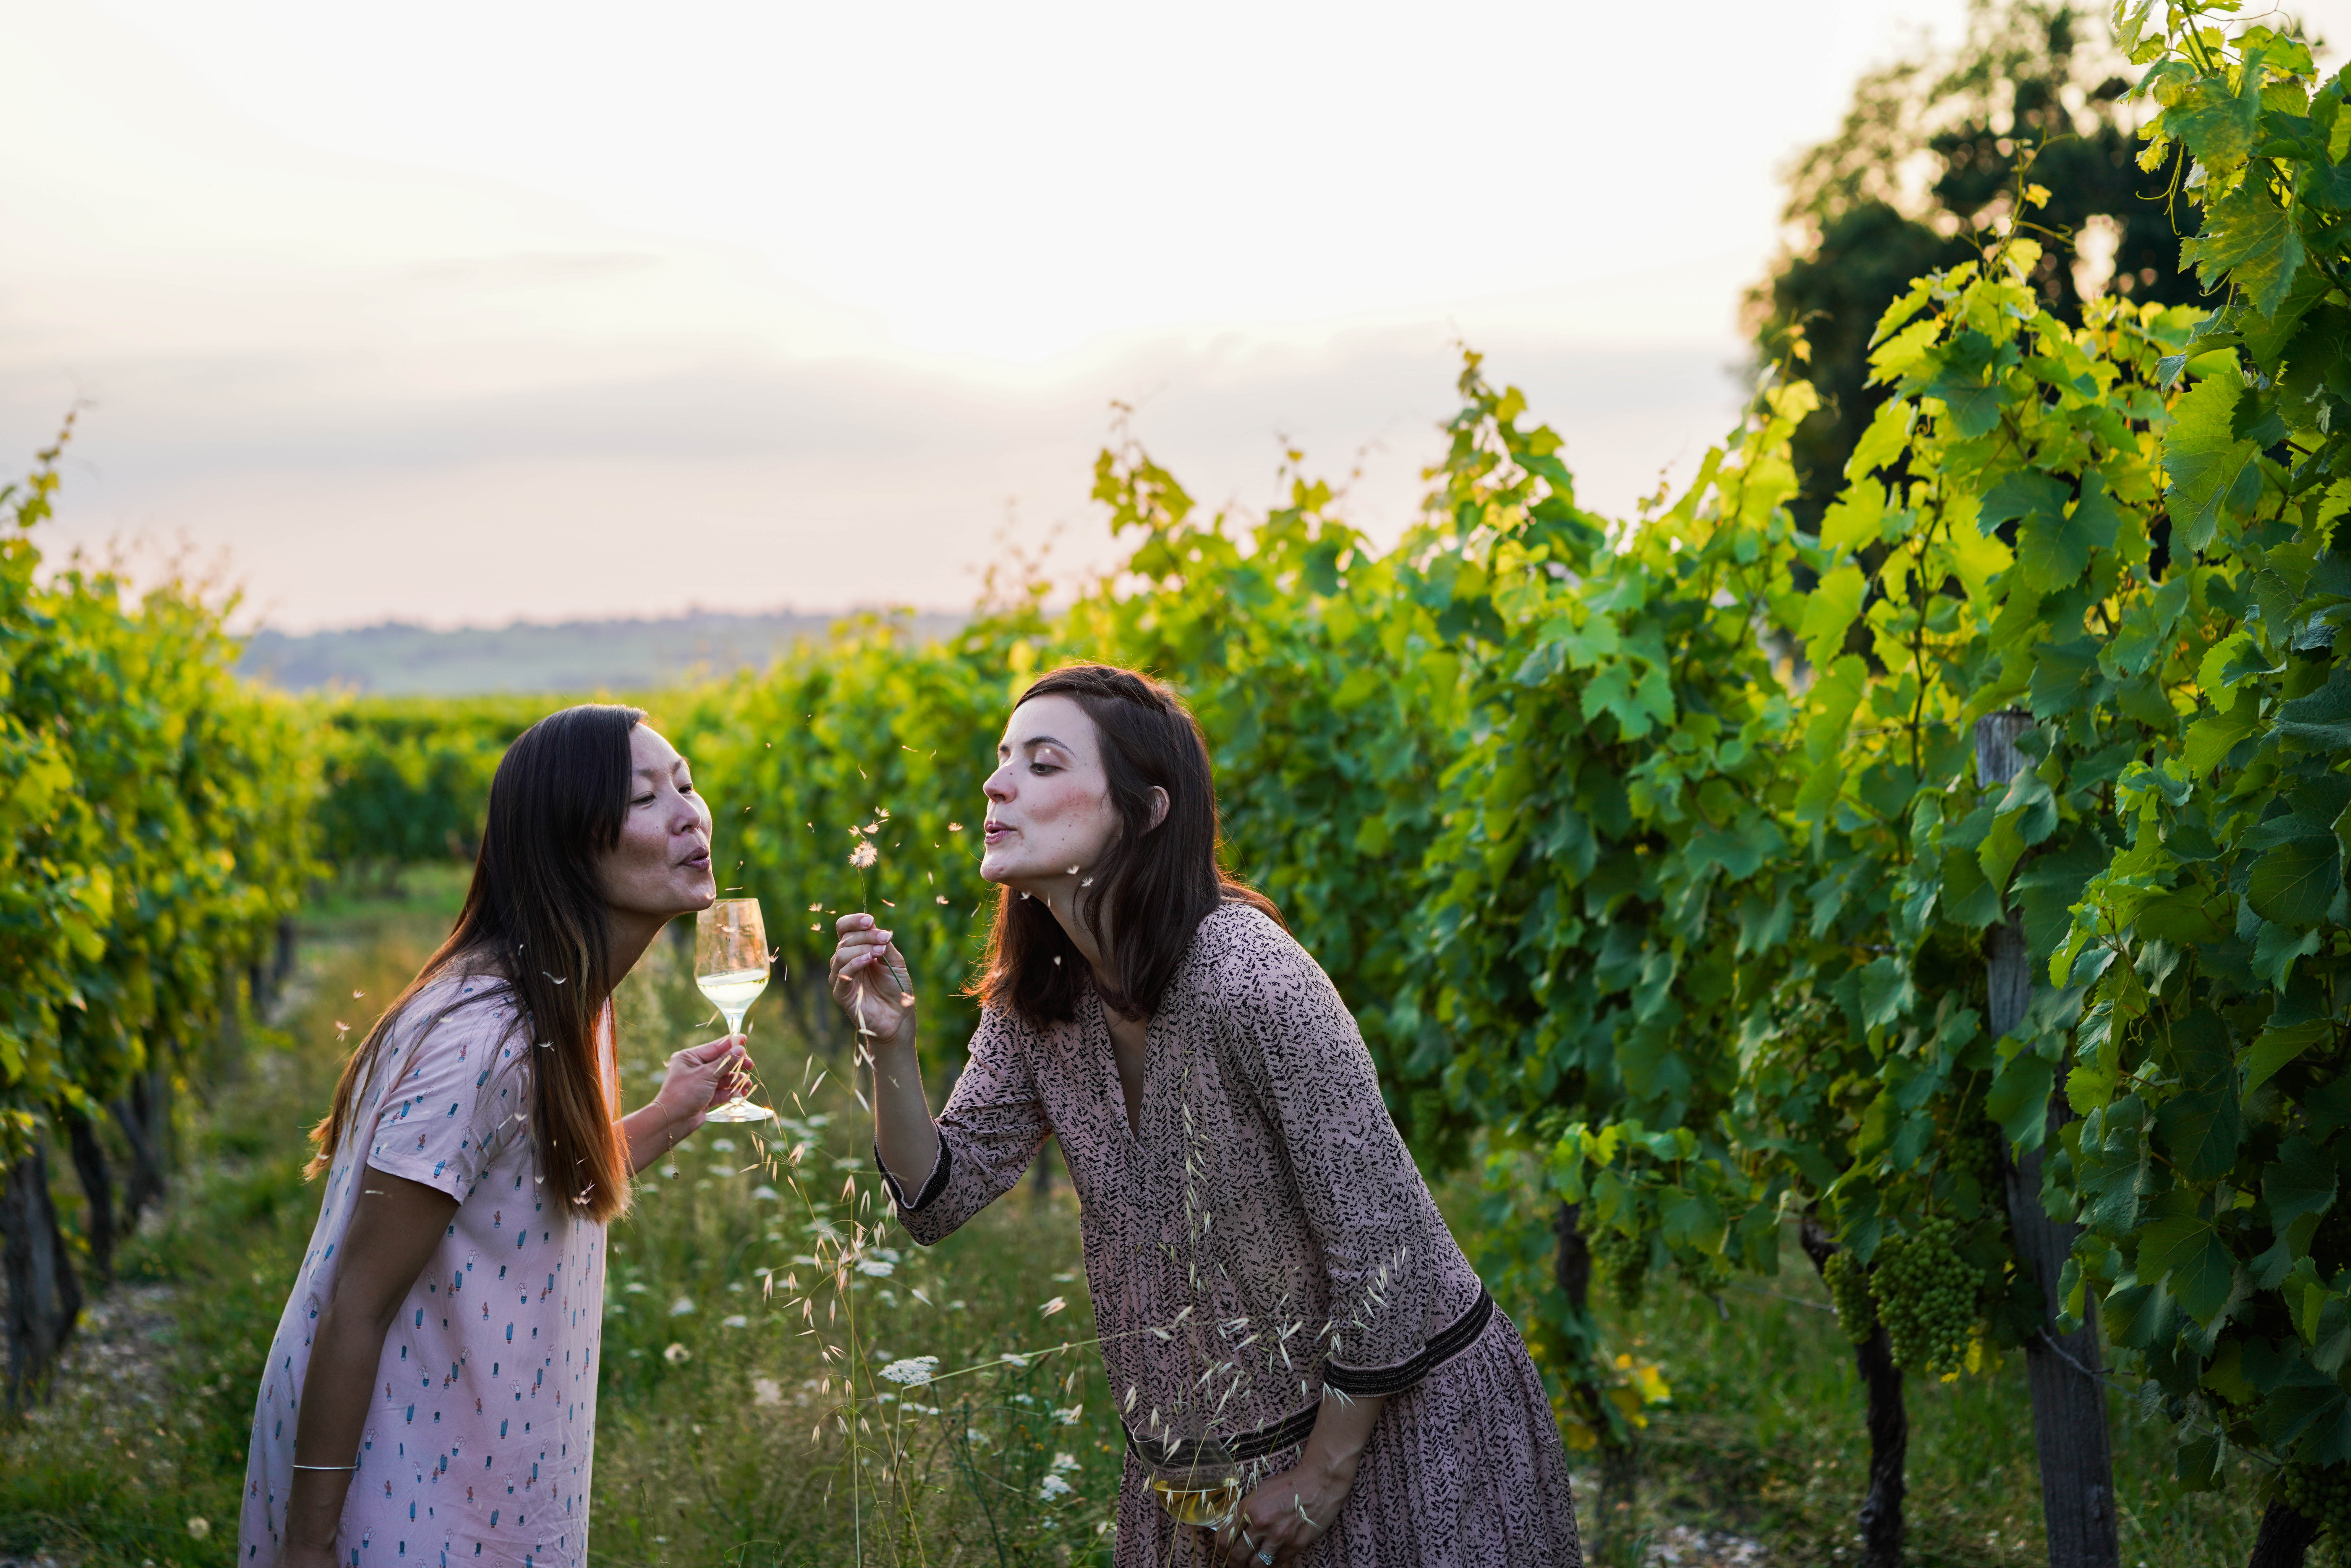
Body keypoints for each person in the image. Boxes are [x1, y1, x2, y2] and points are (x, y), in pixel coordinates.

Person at [830, 664, 1581, 1568]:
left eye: (1041, 763)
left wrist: (1322, 1476)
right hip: (1207, 1480)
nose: (996, 784)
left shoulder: (1249, 977)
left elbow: (1386, 1245)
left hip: (1394, 1439)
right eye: (1001, 760)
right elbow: (936, 1199)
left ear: (1147, 811)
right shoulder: (1041, 1001)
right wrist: (891, 1049)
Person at [239, 704, 752, 1568]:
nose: (688, 814)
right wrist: (307, 1543)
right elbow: (355, 1303)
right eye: (643, 799)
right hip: (395, 1480)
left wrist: (669, 1114)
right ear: (567, 844)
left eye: (687, 785)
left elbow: (532, 1197)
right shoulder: (483, 1036)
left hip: (489, 1459)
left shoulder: (568, 1000)